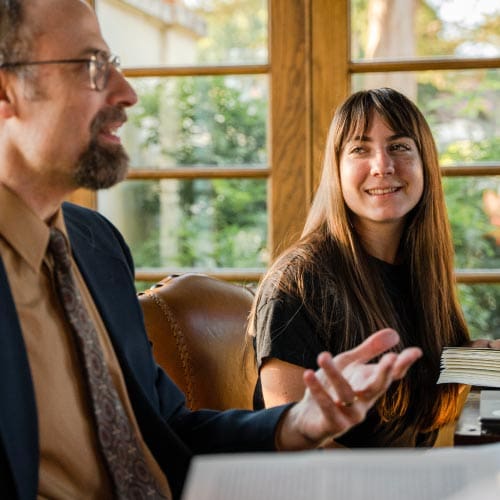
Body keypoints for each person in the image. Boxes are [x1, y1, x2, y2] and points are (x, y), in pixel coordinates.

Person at [0, 2, 423, 499]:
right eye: (93, 66)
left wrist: (296, 423)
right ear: (6, 89)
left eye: (114, 63)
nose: (127, 92)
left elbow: (168, 432)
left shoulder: (96, 245)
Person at [249, 87, 476, 448]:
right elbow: (295, 444)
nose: (382, 166)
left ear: (425, 163)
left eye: (400, 146)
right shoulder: (297, 283)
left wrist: (474, 360)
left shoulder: (419, 271)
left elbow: (424, 410)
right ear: (336, 169)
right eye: (360, 149)